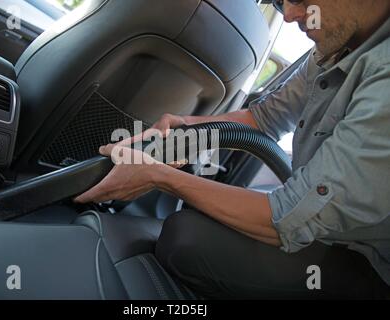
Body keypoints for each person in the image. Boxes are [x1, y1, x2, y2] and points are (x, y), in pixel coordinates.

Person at [75, 0, 390, 299]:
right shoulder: (336, 46)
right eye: (280, 3)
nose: (290, 15)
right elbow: (263, 118)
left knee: (184, 240)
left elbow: (291, 217)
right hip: (319, 225)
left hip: (367, 260)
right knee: (194, 215)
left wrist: (158, 176)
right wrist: (185, 127)